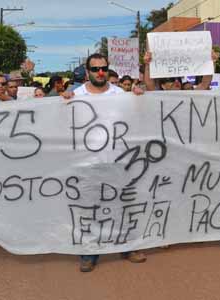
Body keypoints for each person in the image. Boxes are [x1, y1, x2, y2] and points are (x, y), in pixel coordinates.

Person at [67, 53, 146, 272]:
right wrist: (61, 102)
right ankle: (89, 252)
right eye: (95, 69)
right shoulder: (75, 95)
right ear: (87, 70)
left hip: (117, 160)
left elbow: (138, 115)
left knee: (122, 206)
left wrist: (139, 96)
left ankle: (128, 246)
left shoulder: (119, 93)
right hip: (86, 162)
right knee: (88, 209)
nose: (100, 73)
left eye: (103, 68)